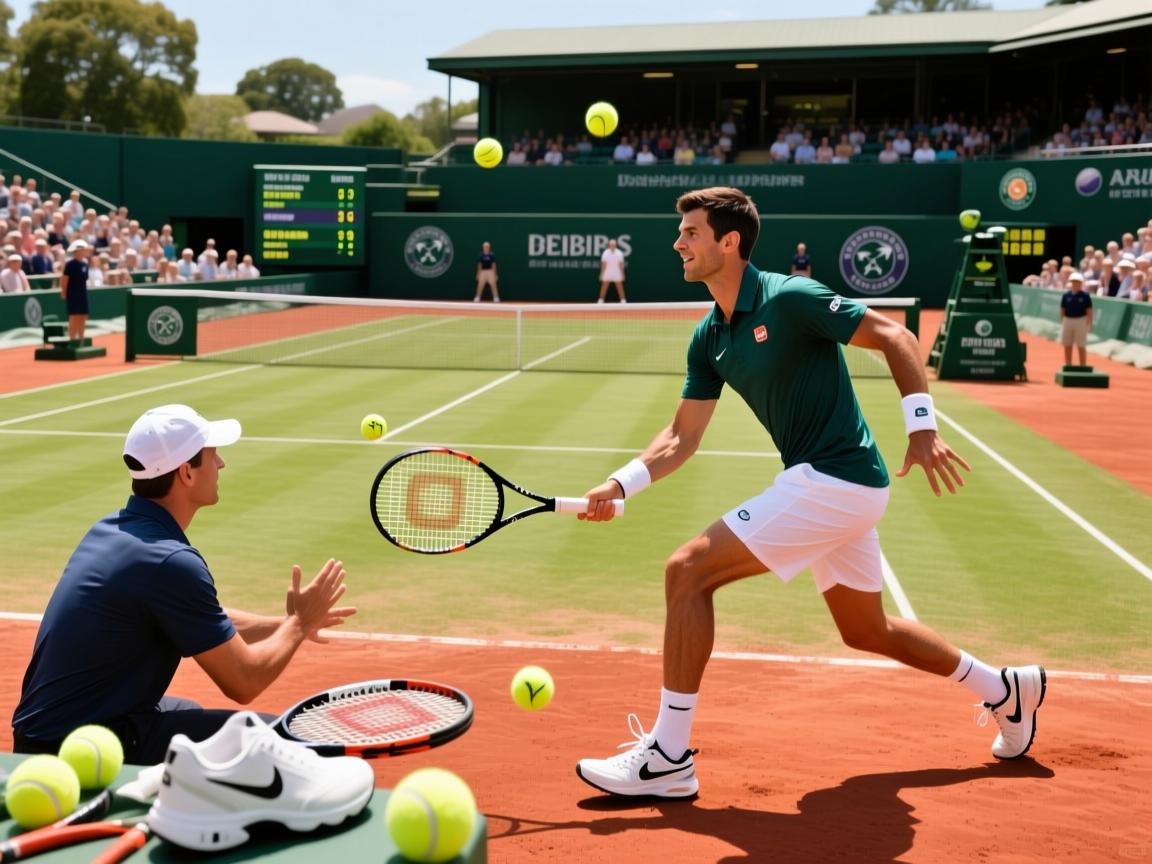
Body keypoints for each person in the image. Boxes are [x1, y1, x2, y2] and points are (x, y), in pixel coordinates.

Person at [573, 186, 1045, 800]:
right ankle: (1007, 689)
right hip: (835, 486)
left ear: (729, 241)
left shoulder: (791, 298)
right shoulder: (708, 336)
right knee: (866, 630)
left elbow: (896, 337)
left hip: (835, 478)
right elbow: (680, 438)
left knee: (687, 571)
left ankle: (668, 755)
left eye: (690, 232)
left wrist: (923, 428)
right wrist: (618, 484)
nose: (678, 242)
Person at [12, 404, 356, 764]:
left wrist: (284, 623)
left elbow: (203, 616)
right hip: (79, 750)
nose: (221, 464)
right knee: (276, 742)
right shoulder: (169, 562)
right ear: (185, 474)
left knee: (184, 710)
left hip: (48, 734)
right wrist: (299, 626)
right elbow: (244, 681)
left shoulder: (113, 529)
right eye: (211, 455)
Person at [60, 239, 90, 340]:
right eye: (83, 249)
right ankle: (72, 339)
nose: (85, 251)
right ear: (76, 251)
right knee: (73, 317)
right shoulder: (70, 264)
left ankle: (81, 339)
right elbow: (64, 279)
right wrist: (63, 292)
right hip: (73, 294)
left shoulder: (85, 264)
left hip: (83, 294)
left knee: (83, 316)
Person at [1060, 272, 1092, 365]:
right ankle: (1068, 364)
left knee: (1081, 345)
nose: (1075, 284)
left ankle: (1083, 365)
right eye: (1073, 282)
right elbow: (1062, 309)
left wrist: (1089, 323)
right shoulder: (1066, 295)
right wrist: (1063, 321)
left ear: (1081, 283)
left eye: (1077, 282)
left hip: (1081, 320)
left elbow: (1089, 310)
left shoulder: (1085, 296)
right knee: (1067, 344)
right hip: (1068, 320)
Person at [597, 237, 627, 303]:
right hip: (607, 272)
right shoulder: (605, 253)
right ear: (609, 245)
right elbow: (603, 264)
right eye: (611, 244)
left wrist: (622, 274)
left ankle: (623, 300)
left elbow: (621, 264)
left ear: (615, 245)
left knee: (620, 287)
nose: (612, 246)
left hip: (617, 272)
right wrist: (601, 274)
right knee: (604, 287)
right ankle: (601, 300)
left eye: (614, 244)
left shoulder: (619, 253)